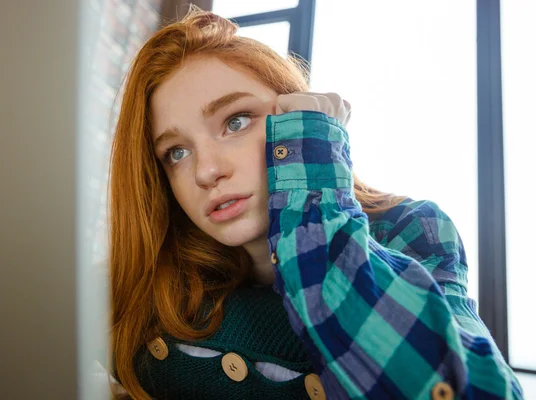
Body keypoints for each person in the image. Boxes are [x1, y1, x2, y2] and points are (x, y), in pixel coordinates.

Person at [106, 6, 523, 399]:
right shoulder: (161, 276)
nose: (205, 171)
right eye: (177, 152)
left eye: (236, 121)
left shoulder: (413, 228)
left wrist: (313, 182)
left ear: (296, 116)